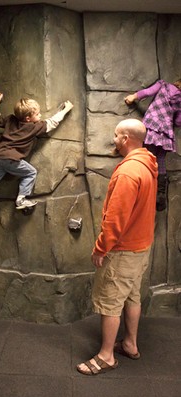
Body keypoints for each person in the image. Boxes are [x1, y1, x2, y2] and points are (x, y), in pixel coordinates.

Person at [77, 119, 158, 376]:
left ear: (125, 139)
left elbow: (116, 219)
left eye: (115, 135)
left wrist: (101, 248)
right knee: (132, 296)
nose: (113, 140)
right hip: (141, 247)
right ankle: (130, 344)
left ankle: (106, 356)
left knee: (110, 301)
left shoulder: (127, 172)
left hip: (122, 251)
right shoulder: (147, 165)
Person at [0, 92, 73, 220]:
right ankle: (21, 199)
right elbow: (52, 122)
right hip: (11, 159)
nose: (40, 115)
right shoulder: (34, 127)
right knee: (31, 173)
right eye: (37, 114)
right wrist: (66, 110)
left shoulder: (10, 120)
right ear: (28, 119)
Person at [124, 79, 181, 211]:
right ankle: (160, 194)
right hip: (165, 132)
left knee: (145, 155)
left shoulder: (163, 86)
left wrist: (133, 97)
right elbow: (178, 121)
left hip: (152, 126)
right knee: (160, 160)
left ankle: (140, 188)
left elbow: (147, 92)